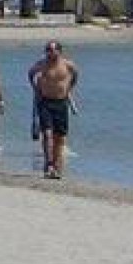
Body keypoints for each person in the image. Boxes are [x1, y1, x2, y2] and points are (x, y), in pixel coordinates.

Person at [29, 41, 80, 179]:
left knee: (60, 137)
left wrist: (68, 88)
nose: (50, 53)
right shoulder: (41, 64)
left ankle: (56, 166)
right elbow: (31, 73)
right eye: (48, 50)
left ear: (59, 51)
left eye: (52, 50)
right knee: (47, 134)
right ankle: (49, 164)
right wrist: (36, 88)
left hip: (61, 103)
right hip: (45, 102)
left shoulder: (68, 65)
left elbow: (75, 76)